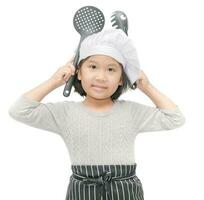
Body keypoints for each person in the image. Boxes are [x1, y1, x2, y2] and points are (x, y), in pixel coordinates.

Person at [8, 28, 186, 200]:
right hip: (83, 190)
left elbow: (175, 118)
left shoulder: (131, 112)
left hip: (125, 191)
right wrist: (54, 81)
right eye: (93, 66)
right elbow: (19, 111)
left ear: (121, 79)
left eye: (111, 69)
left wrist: (147, 87)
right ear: (78, 72)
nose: (101, 77)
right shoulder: (66, 113)